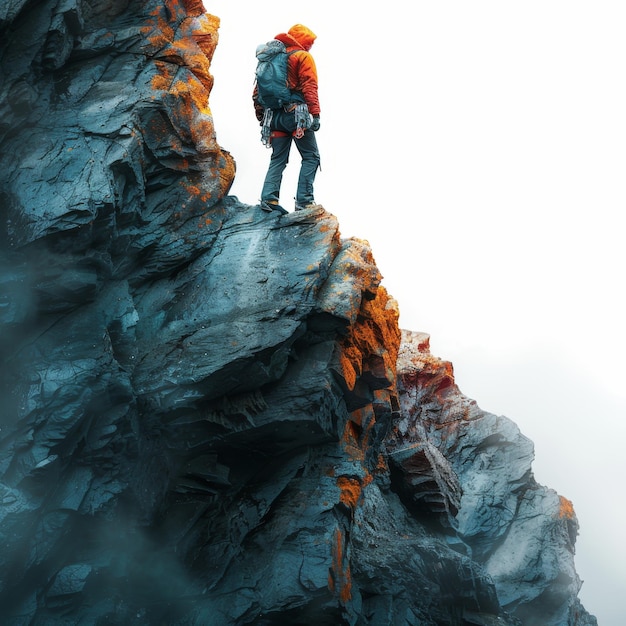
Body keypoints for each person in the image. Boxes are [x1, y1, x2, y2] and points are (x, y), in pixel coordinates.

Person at [253, 24, 322, 213]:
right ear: (304, 40)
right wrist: (315, 114)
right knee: (310, 156)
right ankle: (304, 202)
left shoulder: (270, 58)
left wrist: (262, 117)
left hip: (273, 118)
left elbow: (257, 92)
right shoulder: (302, 56)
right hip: (296, 116)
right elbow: (309, 86)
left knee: (278, 159)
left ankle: (269, 200)